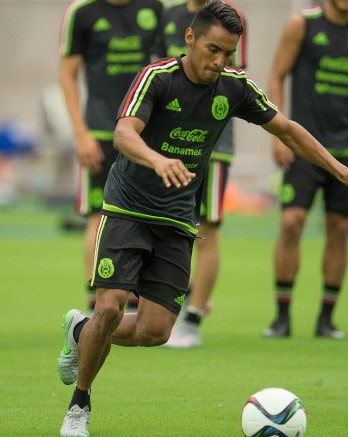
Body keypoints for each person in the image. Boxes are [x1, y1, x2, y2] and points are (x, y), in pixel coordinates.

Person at [56, 2, 348, 435]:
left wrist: (340, 170)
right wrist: (157, 161)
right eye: (212, 50)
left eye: (228, 54)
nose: (219, 61)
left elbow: (287, 129)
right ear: (190, 39)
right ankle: (79, 405)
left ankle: (81, 331)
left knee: (156, 332)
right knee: (113, 307)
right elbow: (123, 133)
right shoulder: (157, 77)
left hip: (176, 219)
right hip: (129, 208)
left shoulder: (234, 88)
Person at [261, 0, 348, 340]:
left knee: (340, 228)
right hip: (304, 147)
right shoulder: (301, 25)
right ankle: (282, 317)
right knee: (291, 222)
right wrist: (278, 134)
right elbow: (276, 76)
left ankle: (326, 319)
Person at [58, 0, 164, 313]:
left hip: (144, 134)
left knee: (149, 219)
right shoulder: (82, 11)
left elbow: (168, 67)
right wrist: (80, 133)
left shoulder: (155, 7)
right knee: (99, 218)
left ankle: (137, 303)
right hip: (100, 136)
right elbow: (67, 75)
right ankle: (95, 307)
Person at [158, 0, 246, 348]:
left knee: (206, 230)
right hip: (170, 143)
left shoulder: (232, 20)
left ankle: (193, 320)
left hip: (214, 145)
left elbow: (236, 80)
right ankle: (166, 311)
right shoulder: (168, 15)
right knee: (167, 226)